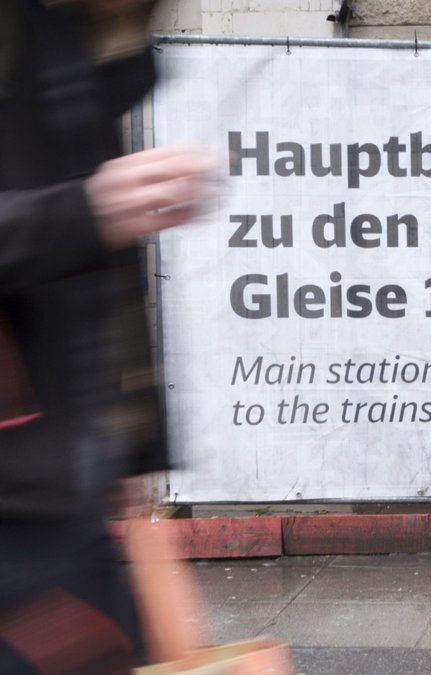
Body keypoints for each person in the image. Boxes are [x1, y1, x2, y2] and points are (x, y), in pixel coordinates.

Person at [0, 1, 211, 671]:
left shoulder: (69, 33)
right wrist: (85, 212)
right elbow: (85, 214)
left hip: (60, 482)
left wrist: (133, 447)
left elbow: (102, 280)